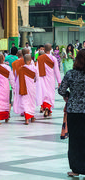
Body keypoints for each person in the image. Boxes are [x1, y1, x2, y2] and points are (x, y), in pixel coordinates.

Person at [58, 49, 85, 177]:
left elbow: (61, 90)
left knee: (75, 140)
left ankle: (76, 169)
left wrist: (68, 95)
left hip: (74, 111)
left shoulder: (71, 74)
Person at [36, 43, 61, 117]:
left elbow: (36, 69)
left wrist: (36, 78)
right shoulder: (54, 58)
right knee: (50, 93)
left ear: (44, 49)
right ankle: (48, 107)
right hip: (50, 78)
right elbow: (57, 71)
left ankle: (45, 107)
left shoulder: (40, 58)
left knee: (43, 93)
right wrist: (59, 81)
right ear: (51, 49)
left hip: (42, 78)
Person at [0, 53, 15, 125]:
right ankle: (6, 117)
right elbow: (11, 78)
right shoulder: (8, 68)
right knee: (5, 102)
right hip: (5, 87)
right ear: (3, 58)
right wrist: (13, 87)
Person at [16, 54, 38, 125]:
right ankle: (32, 116)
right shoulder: (34, 68)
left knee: (25, 102)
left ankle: (26, 119)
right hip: (31, 87)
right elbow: (37, 78)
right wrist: (34, 80)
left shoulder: (20, 69)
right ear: (30, 60)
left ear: (24, 61)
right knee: (31, 102)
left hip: (23, 88)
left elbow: (17, 79)